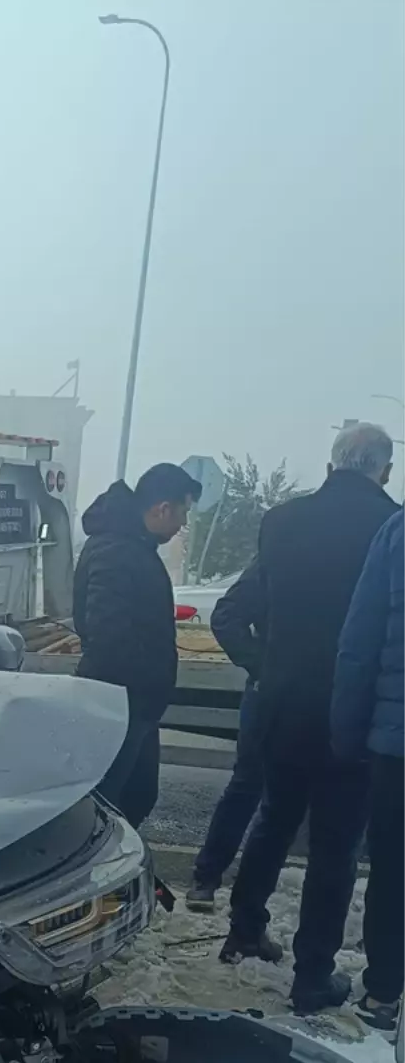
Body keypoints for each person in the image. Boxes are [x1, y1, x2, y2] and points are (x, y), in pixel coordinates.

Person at [221, 423, 397, 1013]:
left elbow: (258, 604)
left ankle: (244, 926)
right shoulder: (390, 528)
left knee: (274, 816)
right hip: (352, 709)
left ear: (330, 464)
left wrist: (264, 668)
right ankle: (313, 973)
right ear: (385, 469)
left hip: (281, 700)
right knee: (335, 845)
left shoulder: (282, 521)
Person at [73, 463, 202, 827]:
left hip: (137, 703)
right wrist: (143, 682)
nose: (182, 524)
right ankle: (100, 875)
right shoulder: (116, 550)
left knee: (138, 795)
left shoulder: (134, 546)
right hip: (118, 702)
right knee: (105, 805)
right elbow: (107, 635)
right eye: (183, 513)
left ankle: (121, 868)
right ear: (162, 508)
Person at [331, 506, 405, 1031]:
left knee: (395, 868)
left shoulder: (397, 534)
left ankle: (383, 994)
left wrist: (348, 731)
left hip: (398, 743)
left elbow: (359, 644)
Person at [186, 561, 269, 913]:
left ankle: (210, 883)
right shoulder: (377, 537)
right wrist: (262, 664)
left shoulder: (285, 539)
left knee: (254, 789)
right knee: (251, 787)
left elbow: (226, 616)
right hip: (280, 690)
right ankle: (208, 879)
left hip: (278, 690)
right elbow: (226, 616)